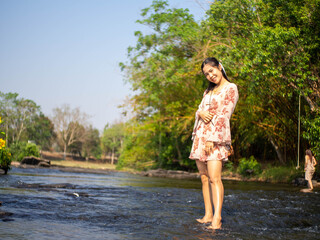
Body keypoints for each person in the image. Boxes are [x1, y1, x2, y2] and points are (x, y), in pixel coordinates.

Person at [189, 57, 239, 230]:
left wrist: (212, 138)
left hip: (215, 138)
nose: (210, 75)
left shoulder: (230, 88)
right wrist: (199, 113)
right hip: (200, 137)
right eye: (206, 74)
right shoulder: (207, 92)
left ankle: (217, 218)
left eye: (212, 71)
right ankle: (207, 214)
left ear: (219, 67)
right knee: (204, 178)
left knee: (214, 178)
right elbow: (201, 111)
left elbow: (225, 114)